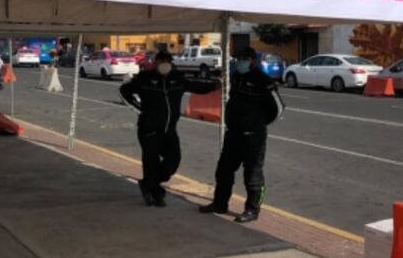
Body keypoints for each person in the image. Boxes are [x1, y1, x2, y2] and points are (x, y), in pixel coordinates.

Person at [120, 50, 221, 207]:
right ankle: (155, 194)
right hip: (149, 130)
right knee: (151, 162)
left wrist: (216, 85)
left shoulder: (177, 80)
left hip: (169, 131)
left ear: (171, 63)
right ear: (156, 63)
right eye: (161, 61)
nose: (164, 64)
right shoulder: (145, 79)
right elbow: (124, 91)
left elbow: (197, 86)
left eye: (167, 61)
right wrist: (138, 108)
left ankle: (149, 184)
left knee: (173, 161)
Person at [199, 47, 284, 223]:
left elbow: (278, 108)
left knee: (252, 175)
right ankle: (220, 203)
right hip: (234, 134)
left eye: (243, 59)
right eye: (238, 59)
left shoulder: (263, 81)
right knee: (223, 171)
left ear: (252, 61)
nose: (239, 62)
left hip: (253, 136)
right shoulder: (236, 77)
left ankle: (252, 210)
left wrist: (258, 123)